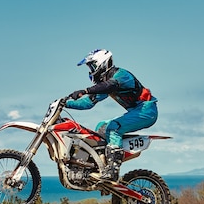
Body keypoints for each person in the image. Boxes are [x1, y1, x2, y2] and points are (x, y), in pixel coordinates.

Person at [66, 48, 158, 181]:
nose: (91, 71)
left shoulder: (121, 75)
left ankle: (113, 170)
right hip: (136, 111)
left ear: (102, 63)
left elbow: (110, 85)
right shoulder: (107, 85)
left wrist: (85, 90)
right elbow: (89, 102)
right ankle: (100, 165)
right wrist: (65, 103)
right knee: (101, 126)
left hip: (147, 110)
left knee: (113, 128)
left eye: (92, 66)